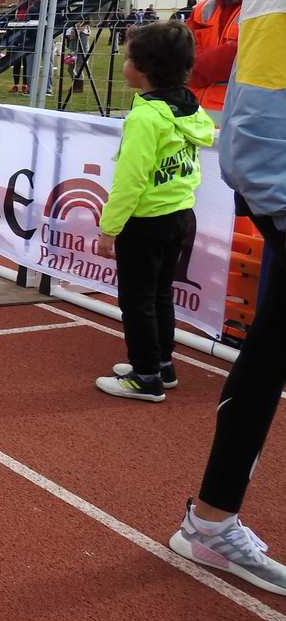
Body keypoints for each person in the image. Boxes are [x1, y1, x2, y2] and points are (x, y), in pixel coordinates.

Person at [166, 0, 286, 594]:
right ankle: (210, 521)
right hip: (248, 166)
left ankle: (211, 520)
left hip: (245, 164)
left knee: (268, 349)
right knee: (267, 348)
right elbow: (239, 82)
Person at [93, 21, 214, 401]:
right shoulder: (188, 107)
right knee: (160, 293)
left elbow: (130, 181)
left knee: (137, 299)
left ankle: (145, 376)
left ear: (142, 68)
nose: (124, 63)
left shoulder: (145, 118)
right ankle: (161, 363)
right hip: (179, 216)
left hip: (146, 221)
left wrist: (109, 229)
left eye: (128, 57)